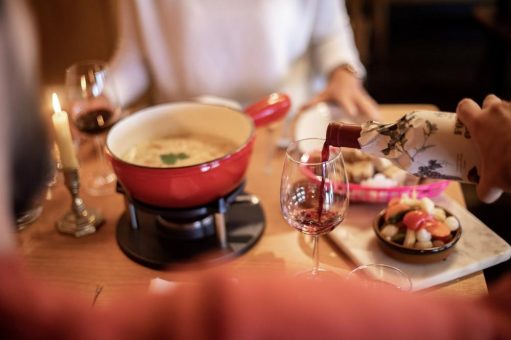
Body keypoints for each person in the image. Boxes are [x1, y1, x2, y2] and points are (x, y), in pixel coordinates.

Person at [1, 1, 511, 339]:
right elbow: (132, 60)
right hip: (193, 124)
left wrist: (342, 74)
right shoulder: (233, 315)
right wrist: (98, 98)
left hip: (290, 131)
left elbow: (334, 38)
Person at [109, 0, 379, 120]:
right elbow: (135, 56)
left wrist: (344, 73)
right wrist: (106, 95)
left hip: (284, 129)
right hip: (186, 128)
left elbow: (329, 32)